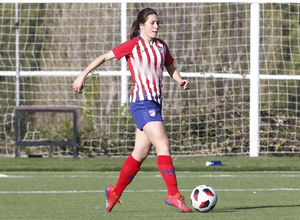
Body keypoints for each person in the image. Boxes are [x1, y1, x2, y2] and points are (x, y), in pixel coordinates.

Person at [72, 8, 191, 213]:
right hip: (141, 102)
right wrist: (82, 75)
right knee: (163, 143)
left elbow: (170, 66)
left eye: (157, 23)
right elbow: (103, 57)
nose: (156, 26)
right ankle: (173, 194)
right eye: (152, 23)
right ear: (142, 25)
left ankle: (115, 192)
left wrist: (179, 80)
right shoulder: (133, 45)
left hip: (154, 103)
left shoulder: (162, 46)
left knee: (140, 152)